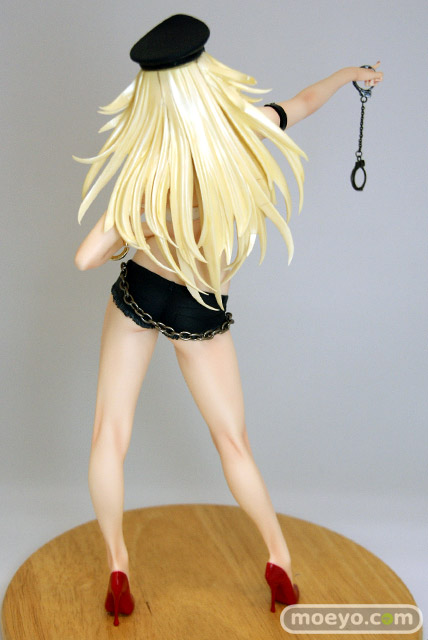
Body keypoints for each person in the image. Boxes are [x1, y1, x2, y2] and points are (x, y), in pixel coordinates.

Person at [74, 14, 383, 625]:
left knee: (109, 433)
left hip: (141, 289)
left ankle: (117, 568)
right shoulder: (245, 130)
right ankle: (278, 559)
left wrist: (136, 225)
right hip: (200, 304)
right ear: (205, 72)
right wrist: (353, 74)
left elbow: (86, 257)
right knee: (234, 443)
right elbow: (304, 102)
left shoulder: (147, 167)